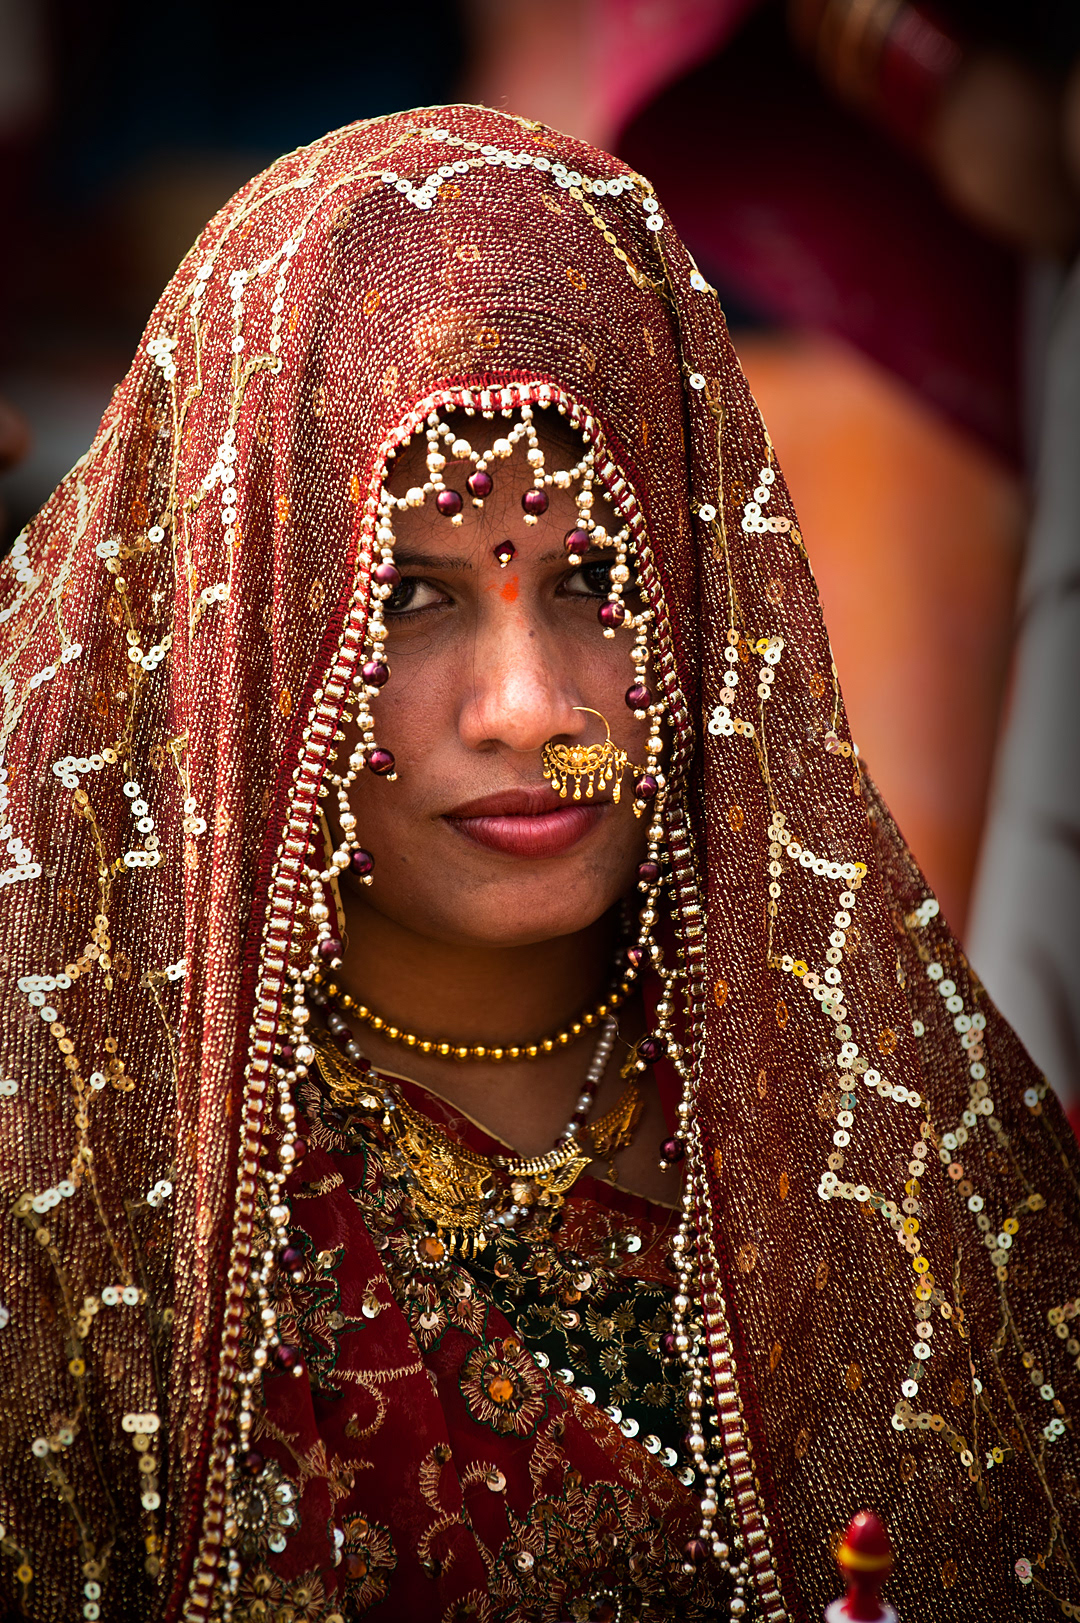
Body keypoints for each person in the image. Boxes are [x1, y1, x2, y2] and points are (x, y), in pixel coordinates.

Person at [0, 104, 1075, 1623]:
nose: (533, 709)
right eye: (414, 599)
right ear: (245, 635)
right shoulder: (93, 1215)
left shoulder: (870, 1141)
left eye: (592, 579)